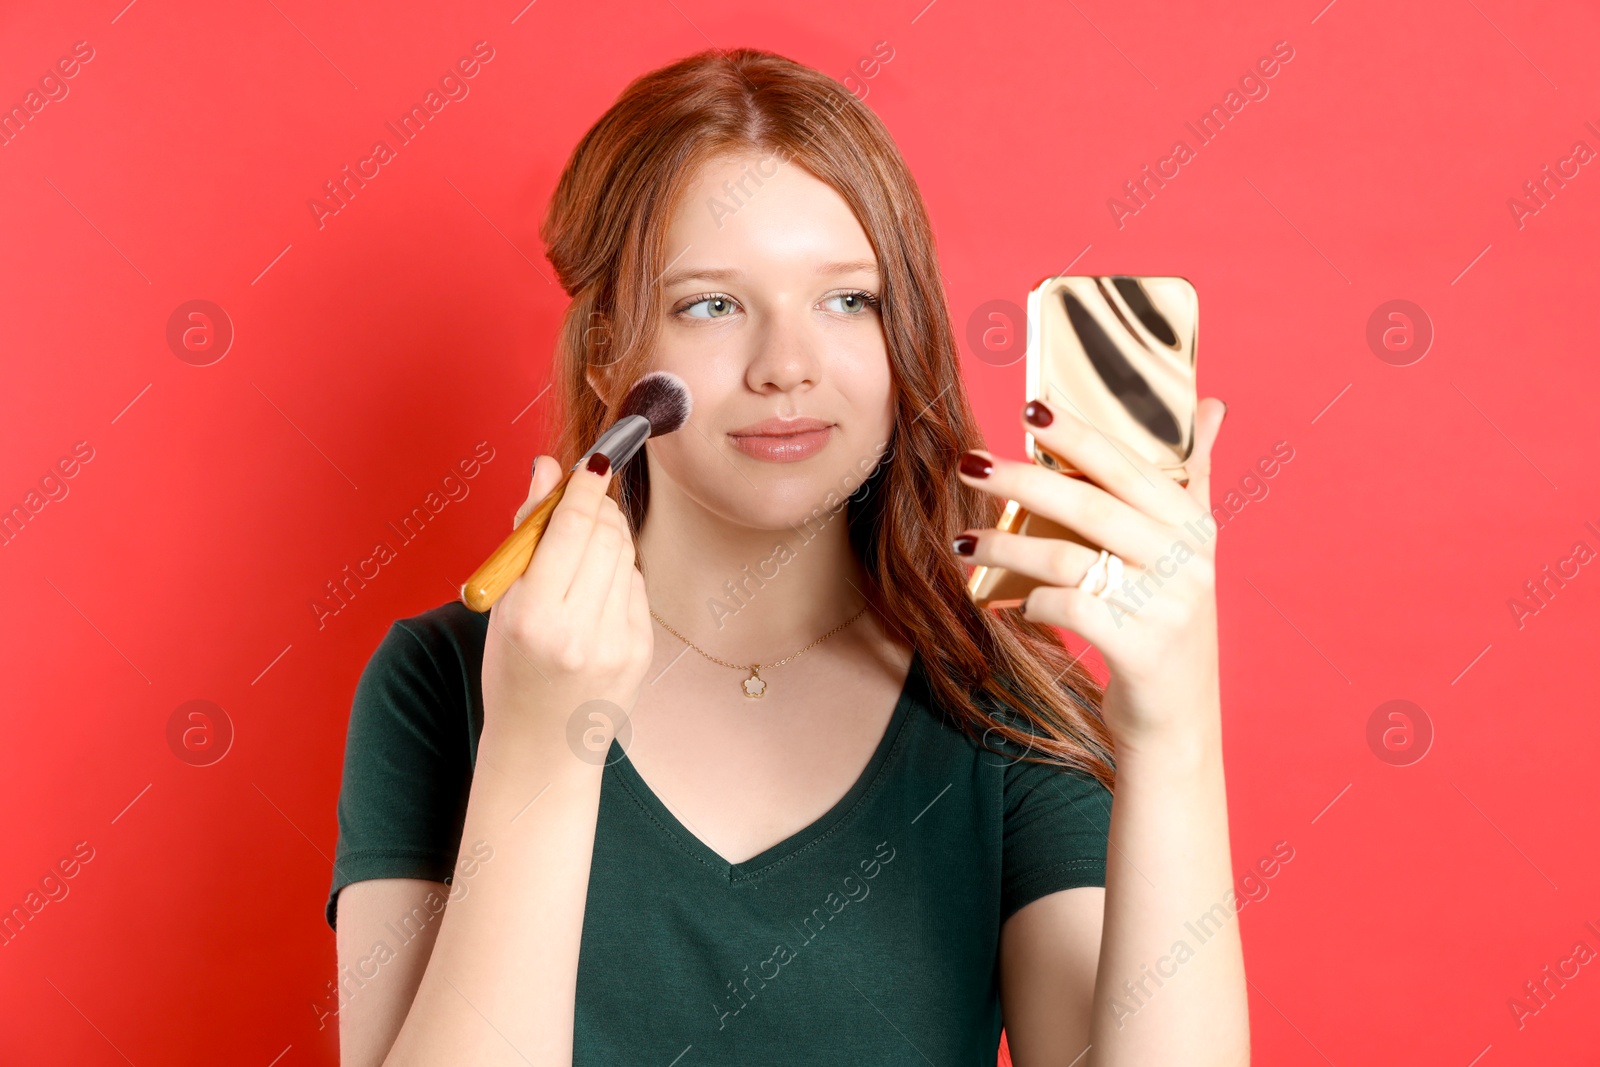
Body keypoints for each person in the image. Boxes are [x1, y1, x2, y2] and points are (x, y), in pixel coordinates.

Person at [325, 47, 1248, 1067]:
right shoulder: (441, 679)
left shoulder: (1006, 703)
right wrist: (540, 748)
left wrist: (1176, 735)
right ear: (605, 353)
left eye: (847, 300)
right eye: (711, 304)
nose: (788, 366)